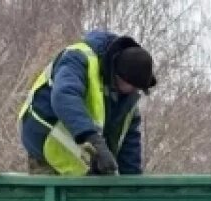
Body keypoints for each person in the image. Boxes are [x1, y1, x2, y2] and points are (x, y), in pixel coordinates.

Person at [19, 31, 157, 176]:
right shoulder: (78, 58)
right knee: (56, 192)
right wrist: (95, 141)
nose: (134, 92)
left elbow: (129, 146)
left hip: (79, 153)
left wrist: (132, 187)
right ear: (118, 76)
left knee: (96, 188)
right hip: (45, 134)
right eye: (132, 86)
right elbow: (64, 96)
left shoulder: (126, 99)